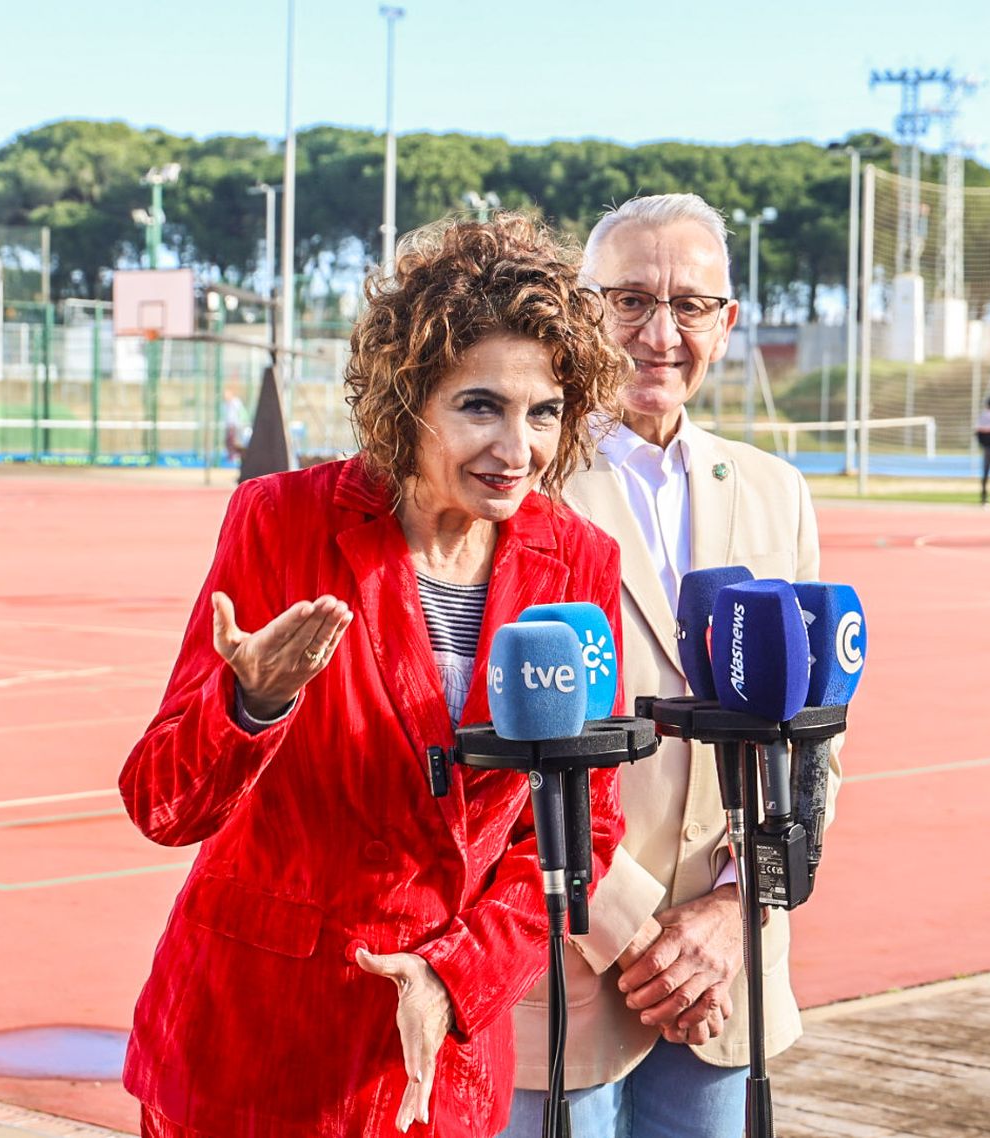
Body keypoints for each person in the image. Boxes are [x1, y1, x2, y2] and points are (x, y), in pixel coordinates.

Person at [119, 213, 634, 1138]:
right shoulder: (281, 522)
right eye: (480, 406)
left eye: (544, 413)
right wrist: (251, 703)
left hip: (436, 1068)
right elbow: (163, 804)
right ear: (409, 399)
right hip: (254, 1049)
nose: (516, 449)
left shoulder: (580, 562)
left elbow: (581, 832)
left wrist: (457, 976)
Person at [503, 194, 841, 1138]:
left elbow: (815, 742)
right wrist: (638, 938)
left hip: (729, 977)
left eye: (689, 305)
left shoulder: (777, 493)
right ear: (582, 312)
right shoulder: (519, 482)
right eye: (630, 301)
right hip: (564, 977)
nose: (661, 335)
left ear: (726, 325)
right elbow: (497, 745)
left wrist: (738, 907)